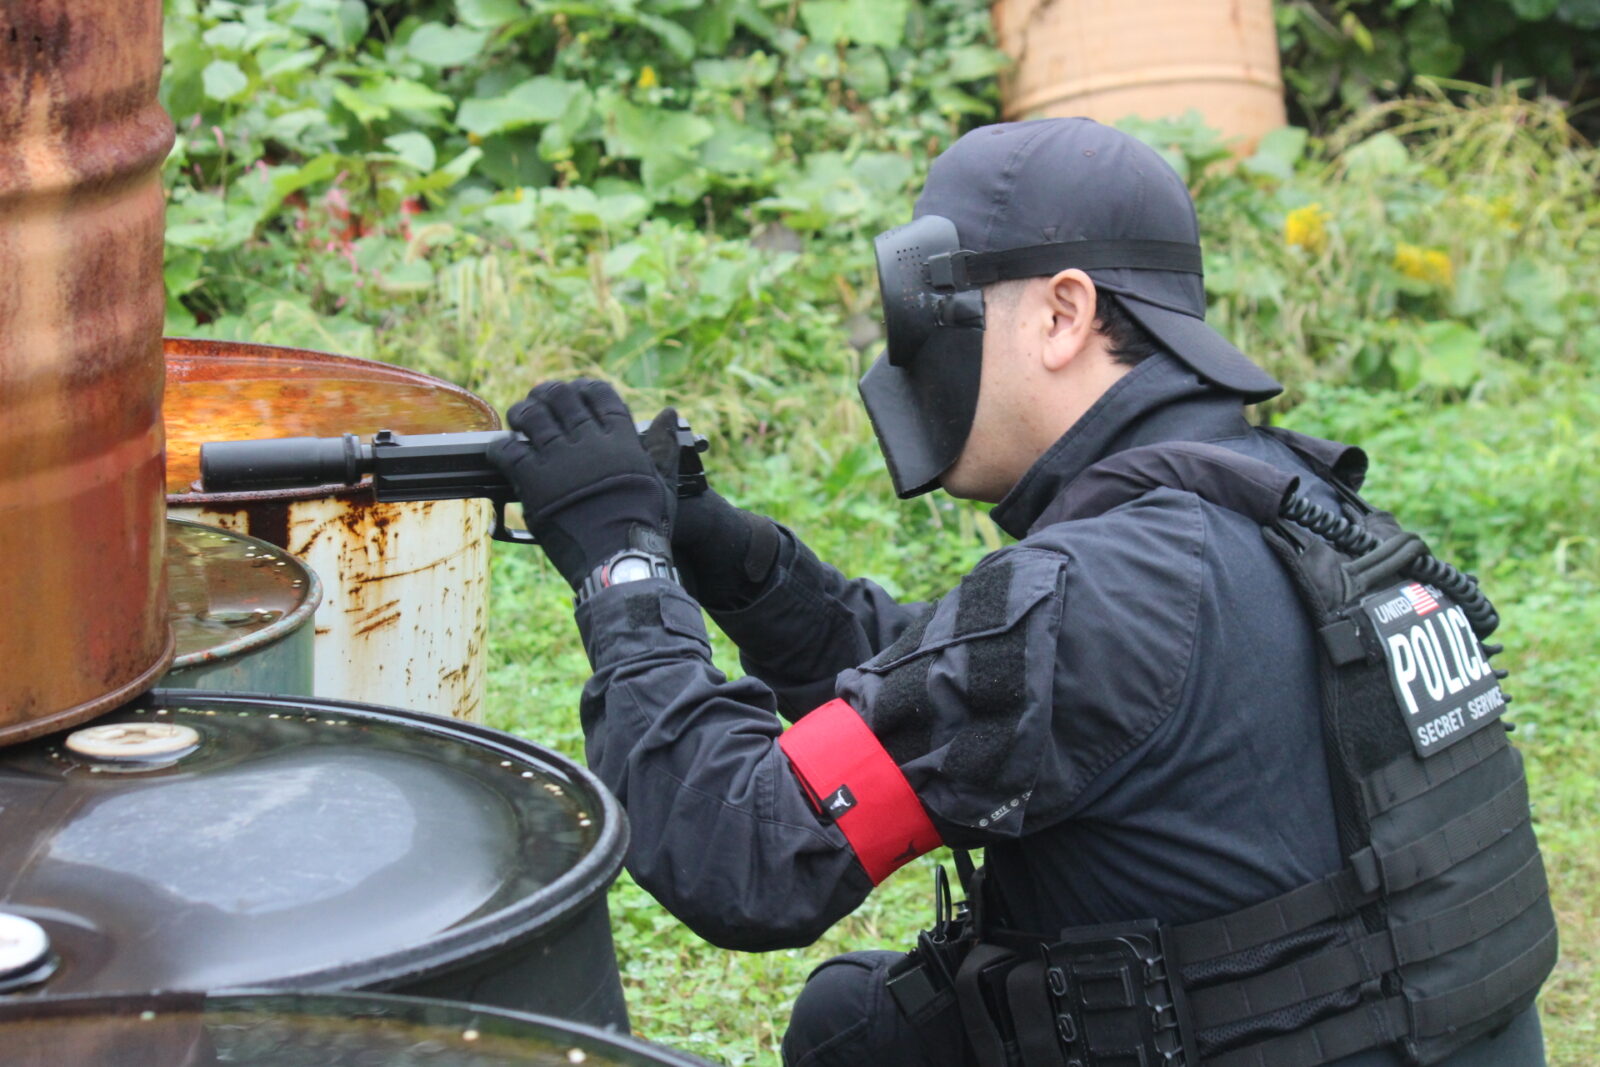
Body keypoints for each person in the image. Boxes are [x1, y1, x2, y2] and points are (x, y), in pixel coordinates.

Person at [488, 119, 1554, 1067]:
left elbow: (738, 850)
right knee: (865, 1024)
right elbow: (968, 690)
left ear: (1063, 313)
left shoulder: (1103, 590)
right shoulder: (1295, 511)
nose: (913, 353)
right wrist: (734, 557)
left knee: (861, 1028)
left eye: (933, 312)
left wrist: (622, 566)